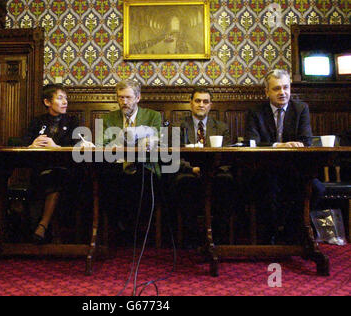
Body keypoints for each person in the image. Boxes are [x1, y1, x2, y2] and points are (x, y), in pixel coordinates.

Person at [245, 69, 323, 244]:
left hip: (294, 170)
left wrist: (298, 145)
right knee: (268, 188)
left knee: (317, 189)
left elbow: (306, 141)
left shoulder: (301, 109)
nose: (282, 93)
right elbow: (251, 142)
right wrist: (277, 145)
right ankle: (270, 235)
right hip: (264, 169)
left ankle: (290, 231)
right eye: (277, 89)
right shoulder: (255, 112)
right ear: (267, 92)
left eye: (286, 87)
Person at [99, 79, 162, 246]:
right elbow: (103, 146)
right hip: (117, 166)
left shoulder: (152, 116)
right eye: (120, 98)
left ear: (138, 98)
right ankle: (120, 228)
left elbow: (156, 143)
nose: (124, 102)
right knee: (105, 181)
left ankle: (136, 230)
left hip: (144, 165)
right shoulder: (109, 118)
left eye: (128, 97)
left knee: (141, 182)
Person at [173, 88, 235, 245]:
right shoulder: (178, 126)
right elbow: (173, 155)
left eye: (205, 101)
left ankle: (219, 237)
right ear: (191, 103)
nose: (201, 104)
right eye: (197, 101)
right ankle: (192, 238)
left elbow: (228, 156)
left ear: (210, 105)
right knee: (183, 182)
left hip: (215, 173)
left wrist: (211, 169)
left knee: (227, 181)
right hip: (189, 172)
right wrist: (192, 169)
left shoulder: (221, 127)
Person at [22, 84, 80, 242]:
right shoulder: (37, 122)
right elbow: (23, 143)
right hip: (40, 170)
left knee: (55, 179)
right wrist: (32, 145)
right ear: (47, 102)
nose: (65, 102)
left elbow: (79, 147)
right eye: (60, 98)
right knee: (48, 180)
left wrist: (58, 147)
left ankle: (42, 226)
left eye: (66, 98)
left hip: (68, 171)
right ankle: (41, 229)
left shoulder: (73, 121)